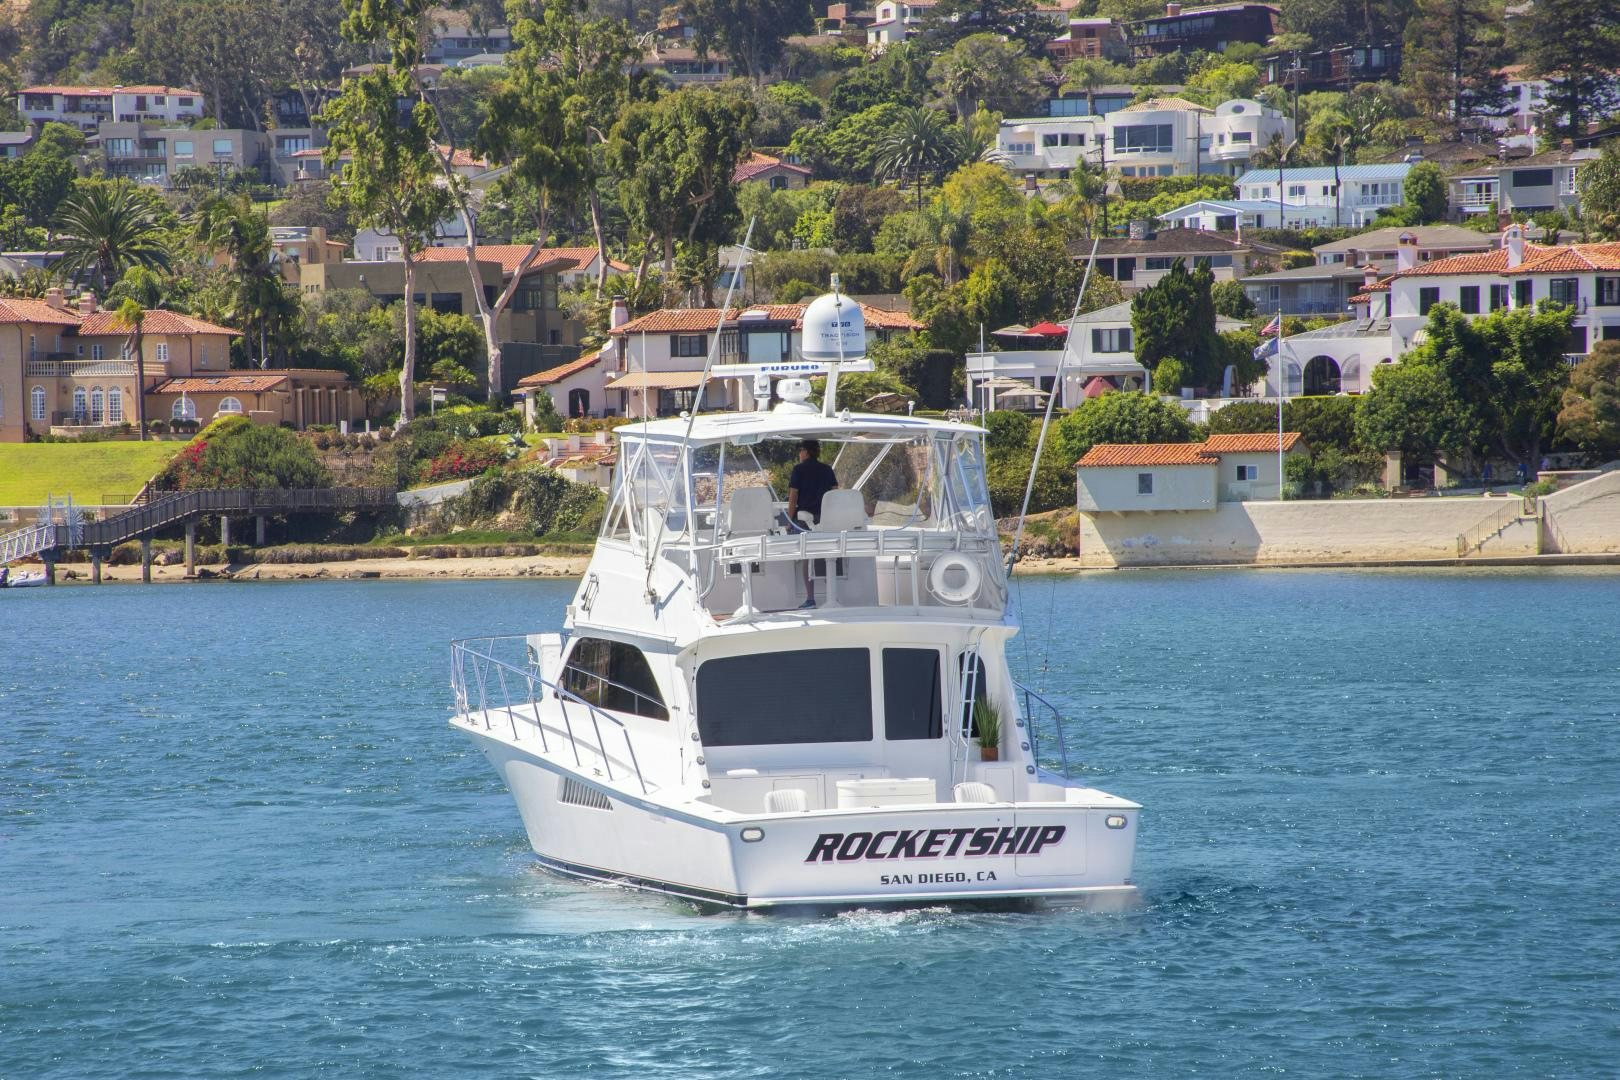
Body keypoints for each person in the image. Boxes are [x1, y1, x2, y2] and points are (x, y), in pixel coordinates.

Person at [786, 439, 838, 608]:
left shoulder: (798, 470)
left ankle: (810, 599)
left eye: (800, 450)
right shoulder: (827, 470)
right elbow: (835, 494)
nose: (799, 454)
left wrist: (789, 520)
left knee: (807, 558)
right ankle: (833, 596)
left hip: (805, 521)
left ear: (806, 452)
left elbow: (793, 497)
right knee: (827, 555)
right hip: (826, 520)